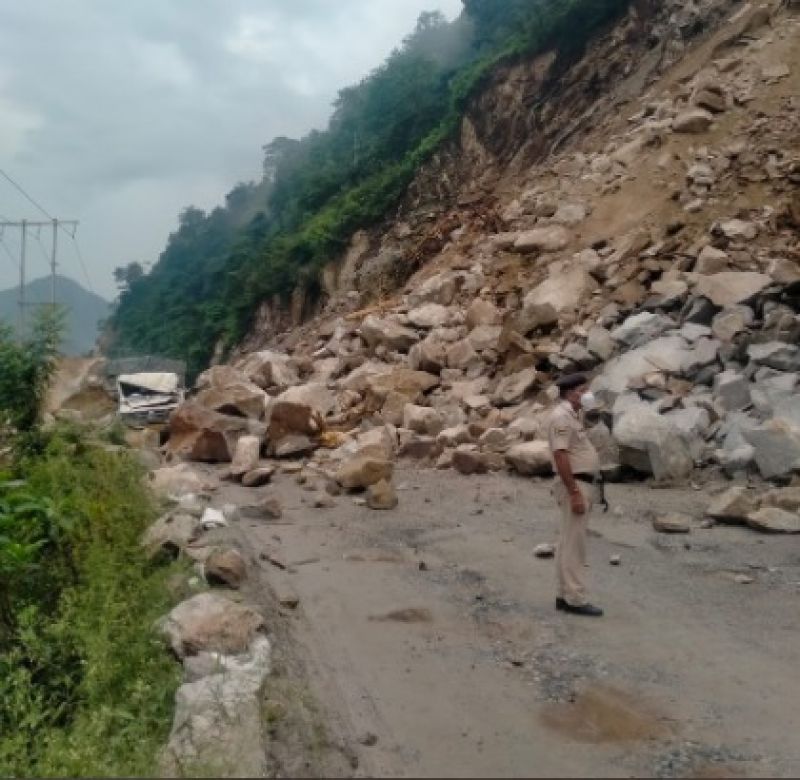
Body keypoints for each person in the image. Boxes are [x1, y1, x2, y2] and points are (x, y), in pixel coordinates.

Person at [547, 373, 604, 617]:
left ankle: (564, 594)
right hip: (576, 485)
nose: (587, 393)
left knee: (567, 542)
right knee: (575, 545)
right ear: (572, 393)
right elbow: (560, 456)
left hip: (581, 483)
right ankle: (575, 598)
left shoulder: (573, 415)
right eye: (583, 389)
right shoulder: (561, 417)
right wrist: (574, 492)